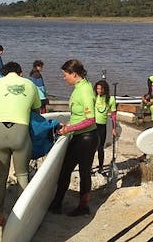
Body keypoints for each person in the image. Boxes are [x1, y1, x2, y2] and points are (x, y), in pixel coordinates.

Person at [0, 61, 40, 226]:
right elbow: (36, 111)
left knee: (1, 175)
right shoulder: (30, 85)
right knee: (22, 175)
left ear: (3, 73)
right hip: (20, 132)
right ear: (20, 73)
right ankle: (21, 219)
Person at [49, 59, 98, 217]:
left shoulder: (85, 90)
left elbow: (91, 119)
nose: (64, 78)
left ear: (74, 74)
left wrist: (69, 128)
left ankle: (82, 207)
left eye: (65, 75)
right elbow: (79, 115)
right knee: (65, 170)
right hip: (79, 135)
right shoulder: (79, 87)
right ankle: (57, 203)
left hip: (87, 138)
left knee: (83, 172)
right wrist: (69, 124)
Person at [94, 80, 117, 174]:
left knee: (100, 147)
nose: (99, 90)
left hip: (102, 126)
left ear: (105, 89)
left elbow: (113, 115)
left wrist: (114, 128)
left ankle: (101, 168)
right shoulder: (94, 97)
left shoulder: (111, 99)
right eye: (97, 88)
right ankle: (89, 168)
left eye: (101, 89)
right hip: (92, 125)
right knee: (91, 148)